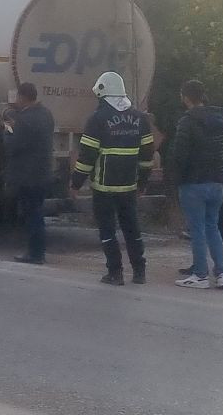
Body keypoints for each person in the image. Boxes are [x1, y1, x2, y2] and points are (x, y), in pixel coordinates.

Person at [71, 71, 155, 286]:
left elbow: (87, 156)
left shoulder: (97, 119)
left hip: (104, 187)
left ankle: (115, 273)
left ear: (102, 93)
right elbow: (147, 155)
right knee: (132, 228)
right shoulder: (140, 118)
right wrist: (143, 183)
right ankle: (139, 272)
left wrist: (76, 183)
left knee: (107, 229)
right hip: (129, 186)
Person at [171, 79, 223, 289]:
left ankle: (200, 275)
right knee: (213, 228)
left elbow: (179, 154)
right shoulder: (221, 120)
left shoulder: (187, 121)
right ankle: (221, 274)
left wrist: (177, 177)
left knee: (198, 230)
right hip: (217, 183)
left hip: (193, 184)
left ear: (185, 97)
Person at [4, 83, 55, 264]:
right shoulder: (46, 114)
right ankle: (37, 251)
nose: (17, 100)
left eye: (18, 97)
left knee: (31, 214)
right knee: (37, 212)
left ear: (23, 97)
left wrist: (9, 129)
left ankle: (35, 253)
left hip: (27, 176)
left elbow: (13, 145)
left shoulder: (25, 120)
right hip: (42, 173)